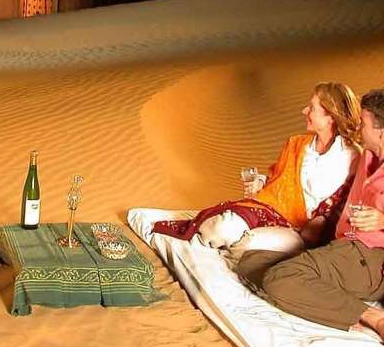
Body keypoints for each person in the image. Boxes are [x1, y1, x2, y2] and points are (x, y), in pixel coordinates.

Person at [238, 88, 384, 347]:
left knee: (280, 279)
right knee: (251, 263)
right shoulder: (368, 156)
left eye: (363, 124)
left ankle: (376, 319)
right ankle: (329, 303)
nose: (357, 129)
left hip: (372, 260)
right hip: (342, 248)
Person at [153, 82, 361, 247]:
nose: (304, 110)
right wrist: (260, 183)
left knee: (249, 244)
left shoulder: (353, 156)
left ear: (330, 117)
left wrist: (321, 222)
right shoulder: (297, 144)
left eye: (312, 108)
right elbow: (277, 182)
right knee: (221, 229)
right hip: (274, 211)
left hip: (308, 231)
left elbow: (348, 203)